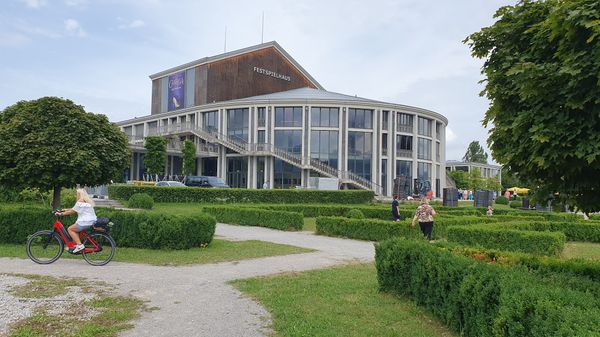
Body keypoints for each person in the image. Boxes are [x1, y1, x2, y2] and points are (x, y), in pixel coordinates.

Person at [54, 188, 97, 253]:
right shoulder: (86, 201)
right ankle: (76, 245)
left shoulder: (80, 201)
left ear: (79, 194)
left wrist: (61, 214)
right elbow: (75, 209)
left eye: (77, 194)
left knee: (70, 229)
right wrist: (64, 210)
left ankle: (79, 245)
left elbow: (73, 211)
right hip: (91, 221)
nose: (76, 195)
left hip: (84, 222)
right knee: (75, 230)